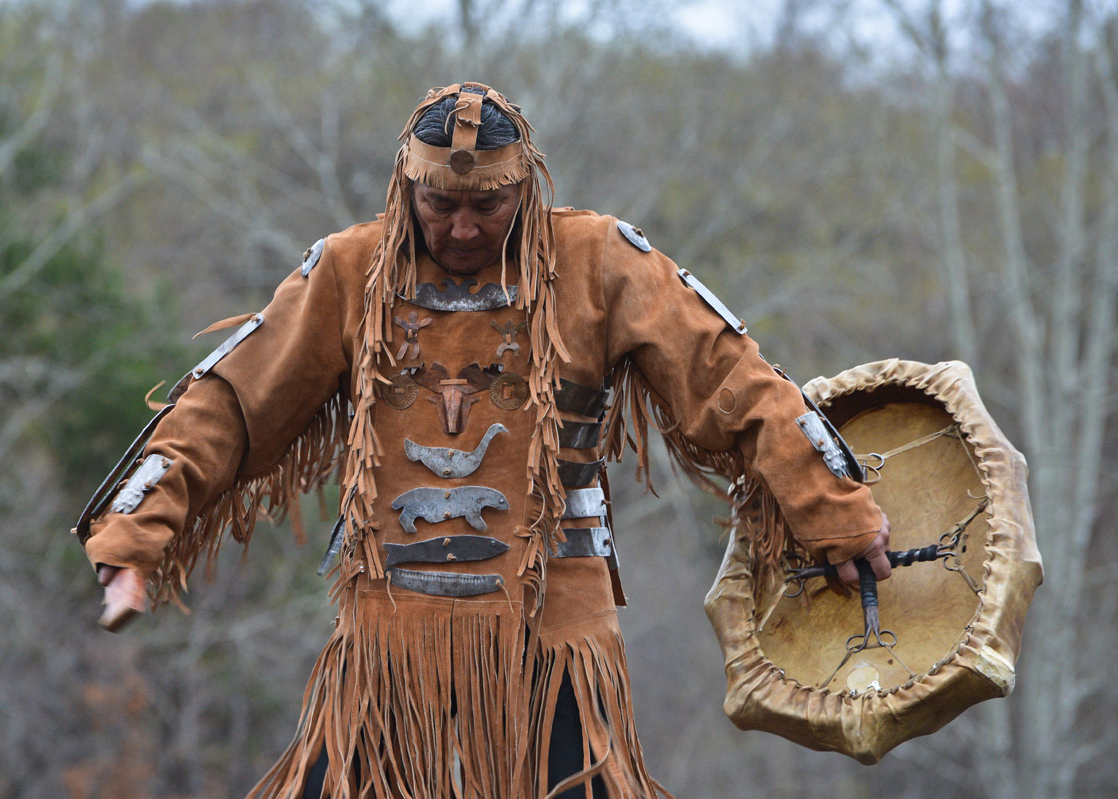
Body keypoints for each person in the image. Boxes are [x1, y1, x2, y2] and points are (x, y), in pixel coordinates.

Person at [81, 82, 891, 799]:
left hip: (554, 629)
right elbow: (227, 403)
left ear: (526, 190)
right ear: (407, 187)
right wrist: (136, 533)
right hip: (390, 631)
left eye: (488, 207)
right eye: (440, 205)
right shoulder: (347, 272)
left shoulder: (600, 262)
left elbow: (733, 378)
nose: (463, 228)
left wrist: (833, 510)